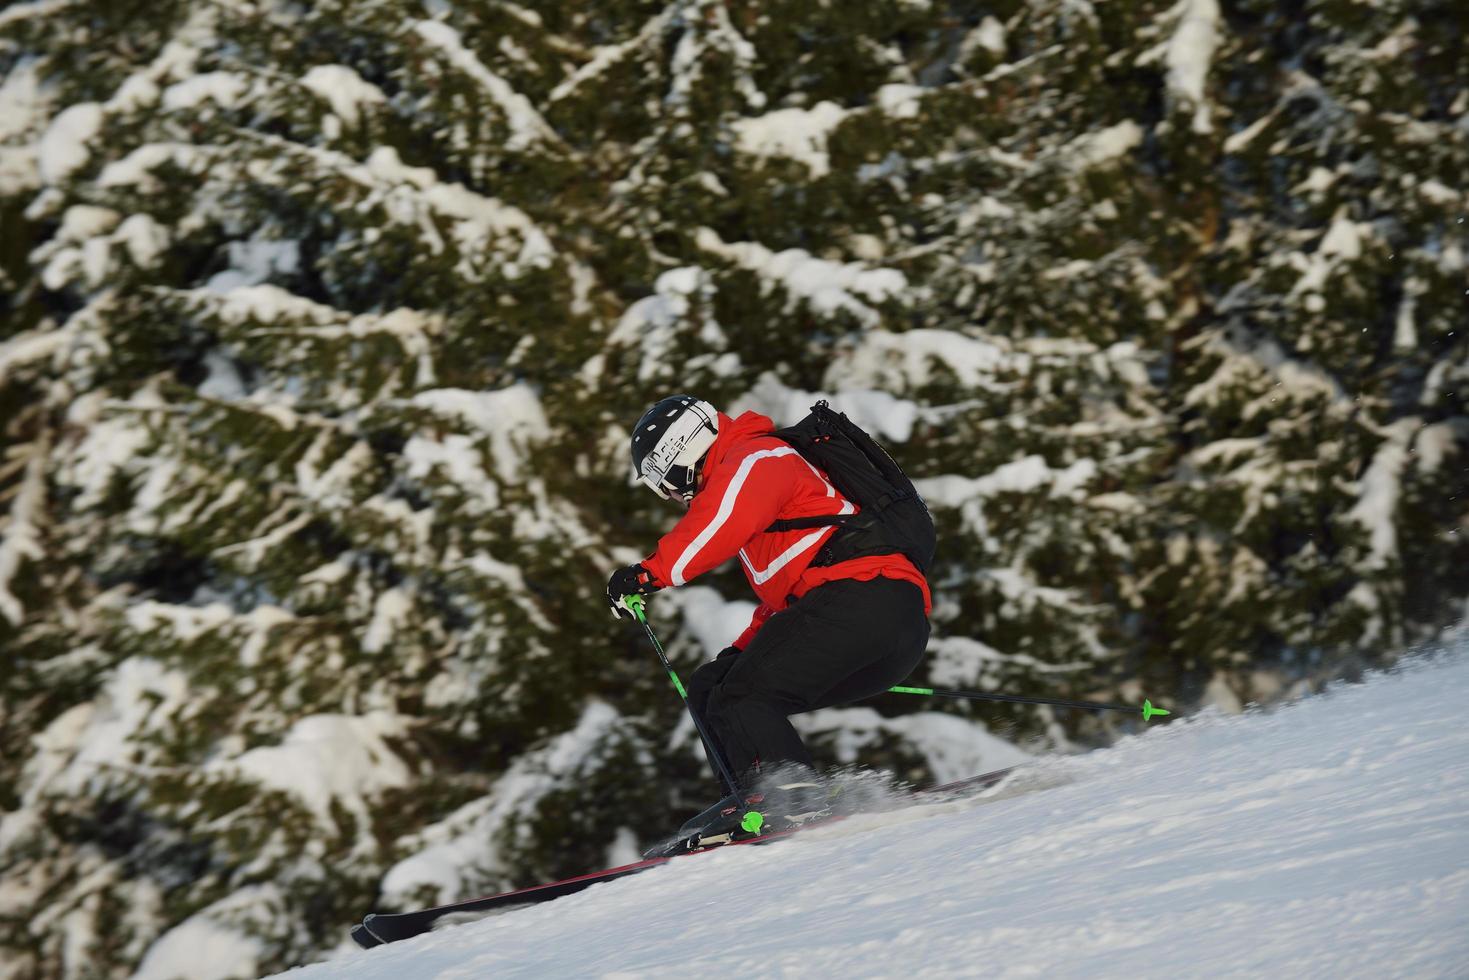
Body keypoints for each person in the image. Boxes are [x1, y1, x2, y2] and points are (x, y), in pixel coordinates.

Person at [606, 395, 932, 837]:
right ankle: (748, 803)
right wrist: (741, 651)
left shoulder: (757, 456)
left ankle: (792, 797)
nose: (669, 494)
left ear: (677, 455)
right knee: (712, 687)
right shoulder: (752, 476)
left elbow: (712, 527)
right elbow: (792, 602)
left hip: (870, 597)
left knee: (742, 694)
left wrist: (647, 574)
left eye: (660, 481)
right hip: (868, 615)